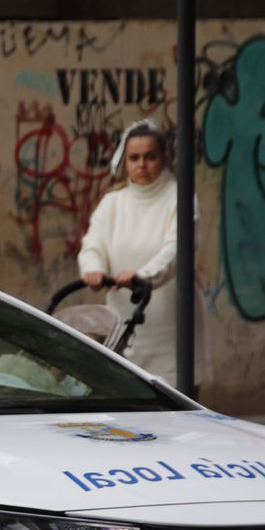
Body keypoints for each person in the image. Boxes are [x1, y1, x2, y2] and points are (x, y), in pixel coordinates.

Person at [76, 118, 188, 386]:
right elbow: (93, 244)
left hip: (170, 330)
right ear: (124, 161)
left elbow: (176, 248)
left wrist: (142, 276)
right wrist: (93, 269)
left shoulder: (179, 197)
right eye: (134, 157)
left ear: (164, 157)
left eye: (150, 156)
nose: (142, 164)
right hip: (123, 326)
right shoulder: (113, 202)